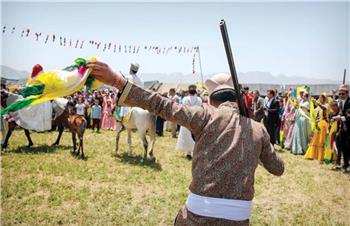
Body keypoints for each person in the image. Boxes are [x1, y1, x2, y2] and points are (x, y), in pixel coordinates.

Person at [87, 62, 284, 225]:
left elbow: (161, 104)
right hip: (240, 219)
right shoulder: (258, 129)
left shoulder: (205, 115)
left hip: (197, 215)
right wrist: (255, 147)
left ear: (210, 100)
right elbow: (278, 168)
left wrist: (117, 81)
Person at [176, 85, 202, 159]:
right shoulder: (199, 99)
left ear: (189, 91)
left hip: (187, 119)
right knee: (196, 135)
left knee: (187, 135)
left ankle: (188, 152)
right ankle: (195, 151)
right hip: (197, 119)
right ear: (195, 91)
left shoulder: (185, 99)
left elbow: (183, 108)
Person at [304, 93, 329, 162]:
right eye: (320, 97)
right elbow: (314, 114)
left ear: (325, 98)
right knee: (315, 139)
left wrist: (317, 103)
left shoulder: (326, 105)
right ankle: (313, 155)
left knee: (322, 140)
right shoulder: (318, 107)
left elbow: (324, 108)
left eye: (322, 98)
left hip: (324, 125)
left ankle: (322, 156)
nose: (320, 99)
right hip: (318, 124)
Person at [333, 84, 350, 173]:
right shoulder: (340, 102)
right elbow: (340, 113)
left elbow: (348, 117)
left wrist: (340, 118)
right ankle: (342, 164)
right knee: (341, 146)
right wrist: (335, 117)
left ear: (347, 93)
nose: (341, 95)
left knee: (347, 147)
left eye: (343, 94)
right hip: (342, 128)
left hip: (348, 129)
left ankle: (347, 165)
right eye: (340, 94)